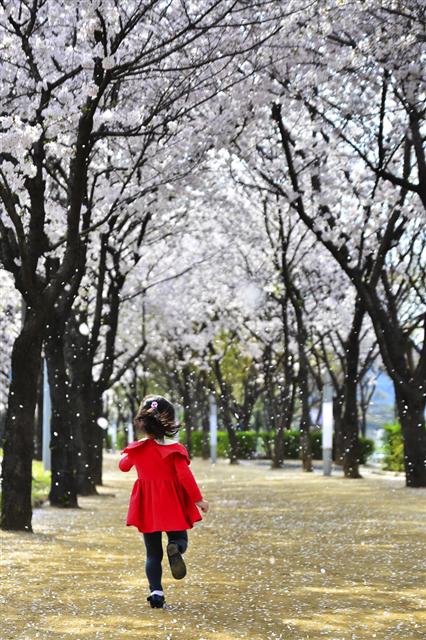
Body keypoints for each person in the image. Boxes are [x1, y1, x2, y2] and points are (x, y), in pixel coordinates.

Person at [118, 394, 209, 609]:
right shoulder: (174, 450)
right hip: (172, 503)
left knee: (152, 553)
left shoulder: (137, 449)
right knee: (180, 539)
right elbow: (185, 477)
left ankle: (156, 592)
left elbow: (123, 466)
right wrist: (199, 500)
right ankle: (175, 547)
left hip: (147, 505)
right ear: (169, 421)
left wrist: (133, 450)